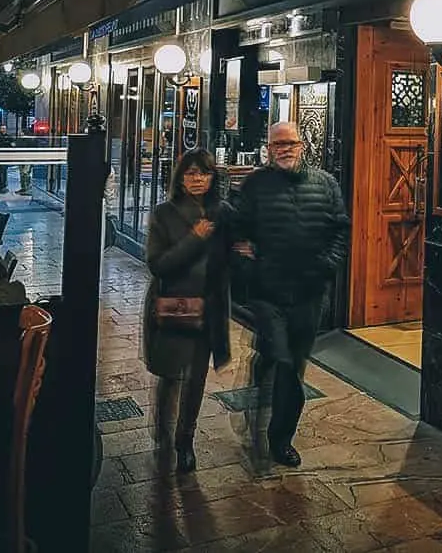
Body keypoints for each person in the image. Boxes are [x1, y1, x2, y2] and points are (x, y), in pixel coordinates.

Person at [233, 121, 349, 470]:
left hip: (309, 294)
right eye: (277, 144)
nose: (284, 149)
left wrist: (327, 266)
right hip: (268, 293)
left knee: (293, 369)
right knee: (281, 358)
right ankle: (266, 365)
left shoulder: (326, 184)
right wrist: (249, 263)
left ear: (302, 146)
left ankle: (281, 439)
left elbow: (340, 230)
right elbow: (237, 233)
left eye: (290, 143)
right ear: (268, 149)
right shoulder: (254, 185)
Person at [141, 148, 233, 473]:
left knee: (196, 379)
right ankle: (163, 434)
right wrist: (194, 239)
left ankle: (185, 441)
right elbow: (158, 265)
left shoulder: (222, 212)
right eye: (191, 173)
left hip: (209, 307)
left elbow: (236, 248)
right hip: (175, 305)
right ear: (180, 177)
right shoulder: (164, 214)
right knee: (171, 376)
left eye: (203, 173)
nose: (197, 179)